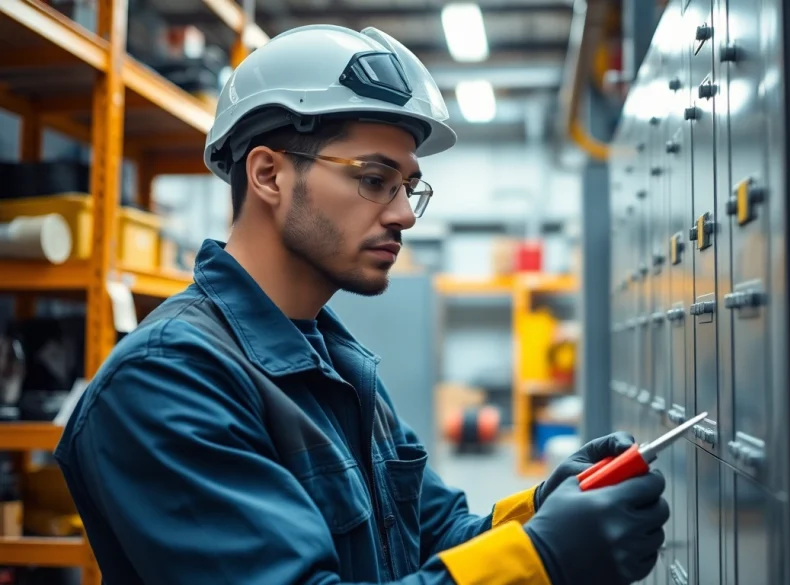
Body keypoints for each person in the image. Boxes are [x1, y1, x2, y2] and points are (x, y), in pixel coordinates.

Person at [53, 24, 670, 585]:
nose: (403, 213)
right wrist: (544, 561)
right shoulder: (168, 382)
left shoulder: (340, 367)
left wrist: (543, 510)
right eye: (375, 180)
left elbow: (436, 537)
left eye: (408, 187)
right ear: (269, 175)